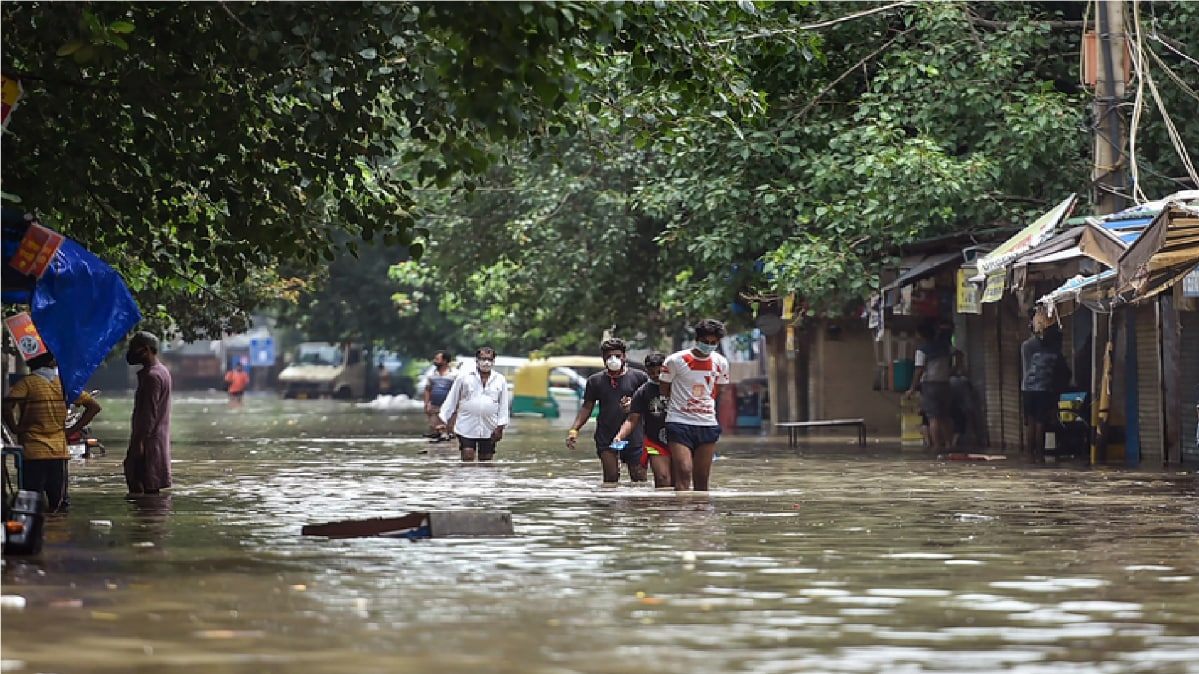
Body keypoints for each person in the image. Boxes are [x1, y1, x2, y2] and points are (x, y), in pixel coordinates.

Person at [2, 352, 101, 512]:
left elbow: (6, 407)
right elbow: (94, 407)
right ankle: (58, 533)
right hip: (58, 453)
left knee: (30, 505)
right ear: (51, 363)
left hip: (32, 452)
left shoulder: (26, 383)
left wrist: (15, 428)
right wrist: (71, 431)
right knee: (59, 505)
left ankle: (35, 535)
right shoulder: (65, 385)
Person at [565, 338, 649, 486]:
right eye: (609, 356)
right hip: (606, 434)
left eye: (617, 355)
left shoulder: (639, 377)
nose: (613, 359)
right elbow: (587, 407)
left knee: (639, 478)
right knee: (610, 480)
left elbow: (649, 403)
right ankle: (611, 508)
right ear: (603, 358)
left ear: (624, 356)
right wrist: (574, 429)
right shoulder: (595, 381)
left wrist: (634, 405)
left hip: (634, 436)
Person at [659, 319, 730, 492]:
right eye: (706, 342)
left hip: (707, 423)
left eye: (713, 343)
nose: (709, 346)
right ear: (697, 339)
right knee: (684, 470)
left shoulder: (721, 363)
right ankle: (682, 516)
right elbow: (664, 388)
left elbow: (718, 391)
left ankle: (700, 515)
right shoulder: (675, 361)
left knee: (702, 477)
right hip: (678, 422)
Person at [435, 347, 508, 462]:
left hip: (489, 426)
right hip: (466, 424)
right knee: (467, 455)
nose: (486, 362)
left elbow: (503, 405)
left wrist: (500, 427)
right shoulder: (464, 377)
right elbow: (452, 399)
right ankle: (467, 479)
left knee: (486, 459)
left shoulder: (500, 379)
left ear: (494, 361)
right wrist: (443, 419)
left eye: (489, 359)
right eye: (483, 359)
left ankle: (483, 480)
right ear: (477, 360)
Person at [611, 352, 672, 489]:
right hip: (655, 441)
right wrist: (620, 436)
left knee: (679, 480)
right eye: (651, 372)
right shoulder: (643, 392)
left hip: (679, 439)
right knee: (662, 479)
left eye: (659, 372)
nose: (656, 375)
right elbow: (632, 419)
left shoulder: (679, 387)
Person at [124, 331, 173, 496]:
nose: (131, 353)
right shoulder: (162, 371)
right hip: (154, 440)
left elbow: (148, 415)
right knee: (149, 490)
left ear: (146, 350)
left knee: (142, 487)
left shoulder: (152, 377)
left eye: (134, 348)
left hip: (148, 442)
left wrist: (139, 444)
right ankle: (149, 520)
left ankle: (146, 520)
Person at [905, 319, 955, 454]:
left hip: (929, 385)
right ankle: (950, 444)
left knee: (933, 417)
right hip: (945, 384)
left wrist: (912, 388)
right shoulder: (944, 347)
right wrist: (955, 369)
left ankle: (937, 445)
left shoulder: (922, 350)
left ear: (921, 335)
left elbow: (918, 370)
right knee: (945, 416)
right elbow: (958, 354)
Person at [1021, 323, 1068, 463]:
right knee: (1040, 423)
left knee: (1031, 422)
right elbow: (1062, 373)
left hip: (1028, 390)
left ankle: (1030, 454)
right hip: (1044, 390)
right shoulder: (1054, 354)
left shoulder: (1027, 346)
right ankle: (1040, 454)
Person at [424, 350, 457, 441]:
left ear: (445, 361)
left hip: (451, 407)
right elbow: (427, 389)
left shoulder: (455, 374)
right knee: (434, 430)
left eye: (437, 359)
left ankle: (450, 452)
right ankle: (435, 453)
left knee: (450, 431)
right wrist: (426, 404)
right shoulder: (431, 373)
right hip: (435, 406)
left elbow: (459, 391)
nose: (435, 361)